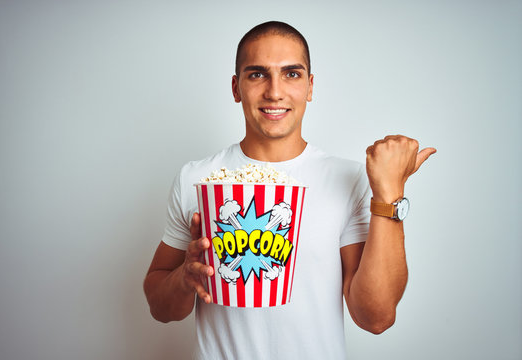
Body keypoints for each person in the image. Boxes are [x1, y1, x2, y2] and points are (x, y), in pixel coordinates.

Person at [144, 21, 436, 359]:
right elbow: (160, 308)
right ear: (236, 87)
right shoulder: (197, 178)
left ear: (310, 87)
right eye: (257, 74)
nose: (275, 91)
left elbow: (375, 317)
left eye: (291, 74)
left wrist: (389, 195)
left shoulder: (348, 178)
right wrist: (184, 278)